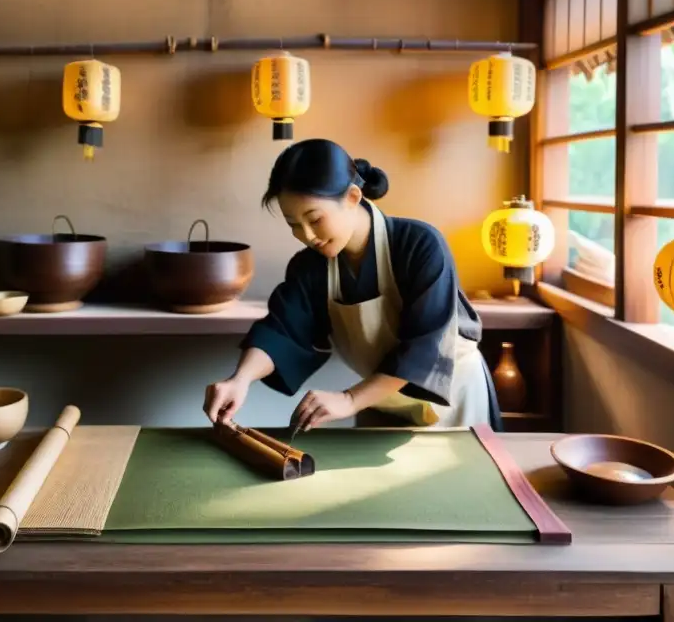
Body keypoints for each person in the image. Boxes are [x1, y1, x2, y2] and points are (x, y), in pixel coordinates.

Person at [203, 138, 502, 433]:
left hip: (453, 398)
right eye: (294, 224)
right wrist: (239, 379)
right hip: (379, 398)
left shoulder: (420, 245)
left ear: (353, 197)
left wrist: (349, 399)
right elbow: (283, 332)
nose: (307, 235)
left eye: (315, 219)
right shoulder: (310, 267)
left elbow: (424, 348)